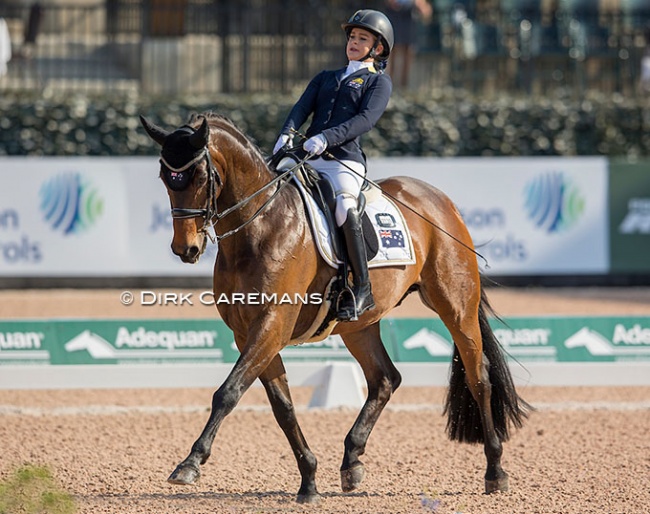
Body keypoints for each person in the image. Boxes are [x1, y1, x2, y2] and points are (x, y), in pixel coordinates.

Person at [272, 9, 394, 321]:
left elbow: (365, 120)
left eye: (362, 38)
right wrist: (287, 134)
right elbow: (301, 108)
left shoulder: (378, 83)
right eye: (352, 37)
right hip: (308, 156)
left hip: (343, 162)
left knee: (343, 208)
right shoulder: (325, 77)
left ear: (377, 48)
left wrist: (326, 138)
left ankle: (362, 287)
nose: (353, 42)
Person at [384, 0, 432, 89]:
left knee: (408, 52)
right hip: (394, 17)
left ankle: (403, 86)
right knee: (392, 50)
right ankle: (388, 84)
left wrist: (421, 6)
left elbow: (425, 11)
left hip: (408, 20)